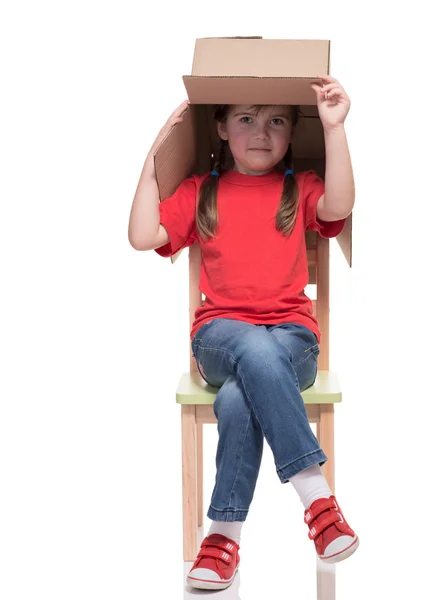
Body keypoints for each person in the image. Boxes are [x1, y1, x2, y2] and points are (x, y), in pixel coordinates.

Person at [128, 75, 359, 591]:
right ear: (221, 128)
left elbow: (339, 206)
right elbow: (143, 236)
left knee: (238, 397)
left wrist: (335, 129)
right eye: (246, 119)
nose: (260, 131)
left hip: (293, 342)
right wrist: (152, 163)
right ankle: (315, 495)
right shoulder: (201, 192)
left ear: (292, 132)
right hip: (219, 337)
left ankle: (221, 538)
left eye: (276, 120)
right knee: (252, 348)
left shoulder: (298, 189)